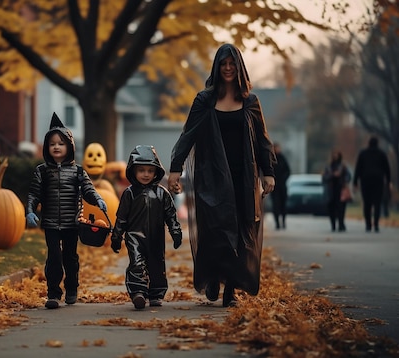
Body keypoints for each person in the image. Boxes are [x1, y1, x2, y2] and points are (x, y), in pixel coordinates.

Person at [167, 43, 276, 307]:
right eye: (223, 64)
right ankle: (213, 276)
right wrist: (175, 169)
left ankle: (232, 289)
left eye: (232, 64)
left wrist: (268, 172)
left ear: (239, 67)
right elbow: (188, 135)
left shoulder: (250, 102)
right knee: (214, 230)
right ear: (217, 67)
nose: (228, 68)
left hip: (242, 178)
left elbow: (262, 139)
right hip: (211, 177)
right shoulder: (204, 101)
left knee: (240, 231)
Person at [26, 112, 107, 309]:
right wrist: (29, 210)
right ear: (47, 147)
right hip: (51, 222)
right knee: (54, 257)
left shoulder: (78, 171)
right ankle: (53, 293)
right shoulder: (42, 171)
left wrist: (97, 199)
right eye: (52, 143)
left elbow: (88, 189)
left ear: (69, 147)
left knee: (70, 257)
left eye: (60, 143)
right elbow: (34, 194)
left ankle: (72, 288)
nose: (56, 147)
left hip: (72, 222)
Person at [110, 145, 183, 309]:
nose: (146, 174)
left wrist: (176, 232)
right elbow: (121, 218)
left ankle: (156, 294)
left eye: (150, 170)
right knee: (136, 263)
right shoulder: (129, 193)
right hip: (134, 236)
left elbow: (171, 215)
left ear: (156, 171)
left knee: (157, 264)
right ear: (133, 171)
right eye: (141, 170)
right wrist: (116, 237)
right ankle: (138, 293)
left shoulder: (162, 193)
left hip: (156, 237)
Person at [353, 136, 392, 232]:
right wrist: (388, 181)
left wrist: (355, 182)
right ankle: (376, 224)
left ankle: (368, 224)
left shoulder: (363, 154)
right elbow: (387, 169)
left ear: (368, 143)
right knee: (377, 203)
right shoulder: (382, 154)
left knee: (367, 203)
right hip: (378, 180)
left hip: (365, 180)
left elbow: (358, 168)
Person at [322, 150, 351, 232]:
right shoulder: (328, 166)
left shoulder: (343, 166)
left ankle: (341, 224)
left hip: (340, 189)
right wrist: (332, 175)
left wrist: (344, 180)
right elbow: (324, 178)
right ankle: (333, 224)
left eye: (337, 155)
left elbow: (348, 176)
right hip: (331, 190)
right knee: (331, 208)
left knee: (341, 208)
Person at [271, 143, 291, 230]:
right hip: (274, 186)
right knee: (275, 205)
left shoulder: (282, 158)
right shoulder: (271, 158)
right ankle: (277, 223)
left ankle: (283, 221)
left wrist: (283, 179)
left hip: (282, 185)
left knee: (283, 205)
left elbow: (288, 171)